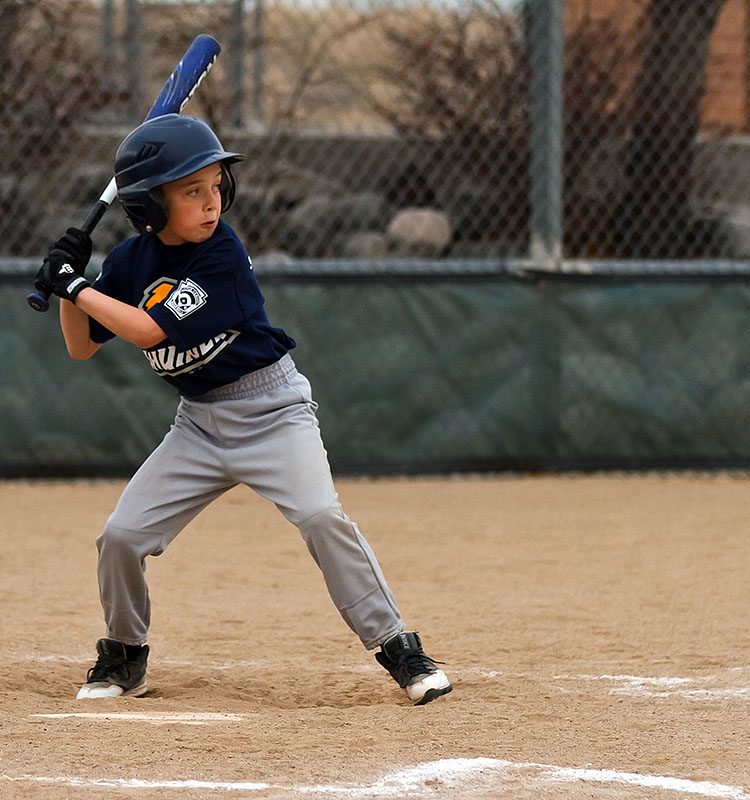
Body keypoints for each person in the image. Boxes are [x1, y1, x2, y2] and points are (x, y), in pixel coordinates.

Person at [34, 114, 452, 706]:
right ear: (150, 207)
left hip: (272, 410)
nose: (212, 203)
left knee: (319, 516)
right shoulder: (130, 260)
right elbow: (80, 346)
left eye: (214, 186)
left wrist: (77, 286)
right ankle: (125, 655)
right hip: (199, 425)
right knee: (121, 536)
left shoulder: (221, 255)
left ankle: (398, 647)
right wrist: (67, 285)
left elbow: (149, 331)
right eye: (191, 191)